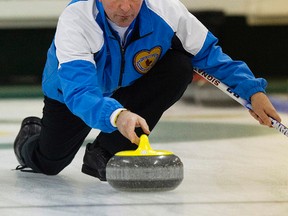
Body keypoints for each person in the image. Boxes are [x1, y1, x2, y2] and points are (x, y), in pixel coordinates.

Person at [14, 0, 281, 181]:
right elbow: (80, 92)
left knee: (179, 66)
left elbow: (209, 54)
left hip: (129, 87)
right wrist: (118, 116)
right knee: (49, 164)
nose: (126, 7)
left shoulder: (167, 9)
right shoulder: (77, 19)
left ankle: (105, 153)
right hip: (74, 95)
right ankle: (30, 136)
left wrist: (252, 92)